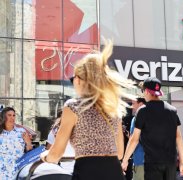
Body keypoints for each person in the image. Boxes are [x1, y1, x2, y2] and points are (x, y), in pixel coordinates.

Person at [40, 40, 135, 180]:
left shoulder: (73, 106)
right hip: (114, 172)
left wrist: (45, 156)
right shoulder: (113, 108)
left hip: (87, 172)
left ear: (79, 80)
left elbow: (56, 154)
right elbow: (119, 153)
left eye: (74, 78)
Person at [121, 77, 183, 180]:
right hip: (170, 164)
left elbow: (134, 140)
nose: (143, 94)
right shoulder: (172, 110)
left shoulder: (143, 111)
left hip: (152, 164)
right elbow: (178, 138)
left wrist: (125, 160)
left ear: (147, 91)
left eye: (143, 91)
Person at [0, 107, 33, 179]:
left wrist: (28, 141)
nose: (12, 117)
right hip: (2, 170)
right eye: (9, 115)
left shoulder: (21, 131)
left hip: (18, 168)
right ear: (3, 117)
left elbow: (29, 150)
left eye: (14, 115)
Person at [46, 109, 75, 173]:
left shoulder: (54, 131)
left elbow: (49, 150)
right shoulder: (83, 131)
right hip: (78, 168)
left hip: (63, 170)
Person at [130, 97, 146, 180]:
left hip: (140, 160)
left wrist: (125, 160)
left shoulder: (136, 118)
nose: (132, 107)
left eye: (133, 104)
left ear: (140, 104)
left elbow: (133, 140)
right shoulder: (156, 118)